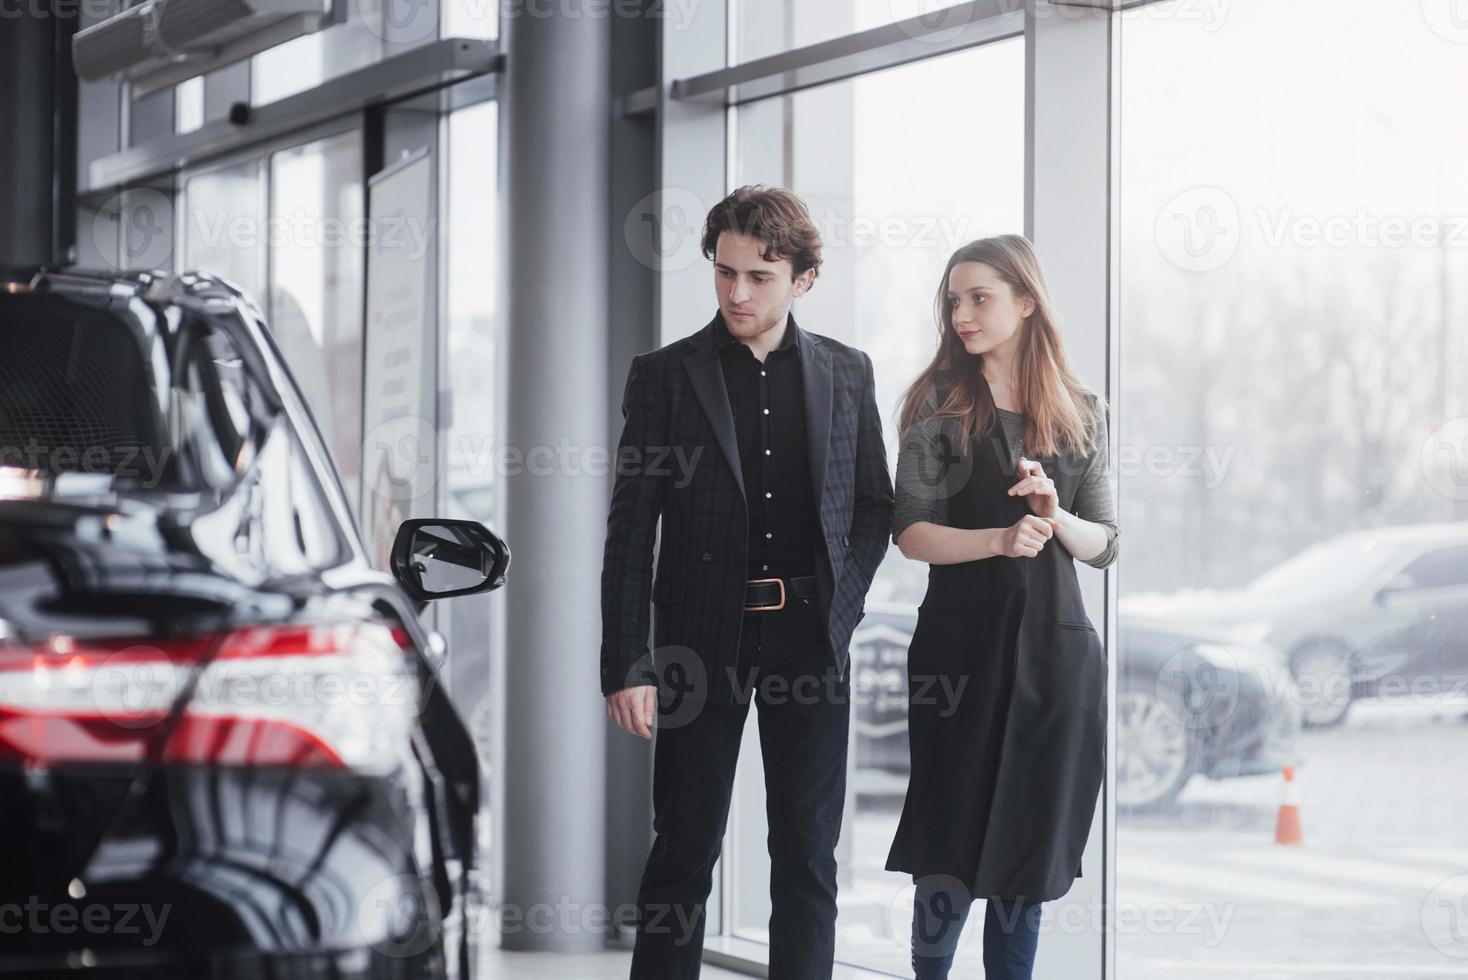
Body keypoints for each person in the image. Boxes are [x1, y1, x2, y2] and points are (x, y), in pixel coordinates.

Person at [599, 185, 895, 979]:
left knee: (806, 856)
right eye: (724, 272)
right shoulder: (664, 377)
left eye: (759, 276)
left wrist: (844, 602)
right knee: (683, 853)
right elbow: (631, 531)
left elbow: (873, 506)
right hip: (699, 643)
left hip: (809, 639)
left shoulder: (847, 373)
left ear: (802, 277)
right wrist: (628, 663)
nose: (736, 292)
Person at [886, 235, 1119, 979]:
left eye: (978, 298)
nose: (962, 314)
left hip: (1057, 662)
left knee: (1026, 862)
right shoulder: (937, 404)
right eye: (954, 301)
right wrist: (997, 537)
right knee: (947, 854)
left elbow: (1105, 543)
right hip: (960, 656)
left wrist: (1054, 513)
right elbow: (911, 532)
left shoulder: (1083, 411)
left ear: (1026, 301)